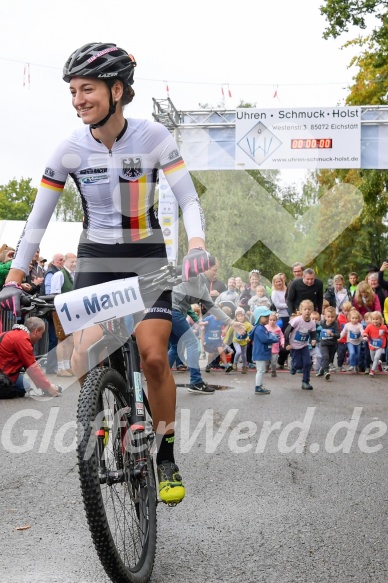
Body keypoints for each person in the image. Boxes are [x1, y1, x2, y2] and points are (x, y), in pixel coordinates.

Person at [0, 42, 208, 506]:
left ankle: (166, 455)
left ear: (118, 90)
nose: (78, 100)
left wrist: (196, 246)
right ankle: (107, 406)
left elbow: (189, 200)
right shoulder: (68, 149)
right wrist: (14, 277)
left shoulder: (154, 137)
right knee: (81, 356)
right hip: (95, 257)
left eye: (87, 89)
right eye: (73, 91)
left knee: (154, 356)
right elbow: (38, 220)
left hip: (145, 257)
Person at [168, 266, 244, 393]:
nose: (216, 273)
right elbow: (188, 269)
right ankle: (196, 382)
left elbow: (213, 307)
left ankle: (159, 377)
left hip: (174, 312)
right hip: (172, 311)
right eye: (214, 269)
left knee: (176, 346)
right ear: (204, 269)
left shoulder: (202, 288)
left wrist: (231, 322)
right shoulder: (195, 278)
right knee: (192, 342)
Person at [0, 317, 60, 398]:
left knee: (25, 384)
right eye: (41, 333)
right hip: (4, 374)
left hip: (4, 371)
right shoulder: (22, 339)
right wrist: (48, 387)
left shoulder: (13, 334)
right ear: (36, 331)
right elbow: (32, 367)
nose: (41, 337)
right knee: (25, 387)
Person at [50, 253, 77, 377]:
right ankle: (60, 368)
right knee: (62, 339)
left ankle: (67, 365)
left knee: (71, 339)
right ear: (65, 261)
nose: (74, 264)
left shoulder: (73, 275)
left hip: (70, 311)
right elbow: (55, 294)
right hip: (60, 310)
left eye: (75, 262)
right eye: (71, 261)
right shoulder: (59, 274)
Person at [284, 299, 317, 390]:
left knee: (308, 363)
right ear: (301, 310)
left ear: (312, 311)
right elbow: (287, 332)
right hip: (294, 346)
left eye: (309, 309)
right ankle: (293, 366)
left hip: (304, 345)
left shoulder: (312, 323)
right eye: (305, 309)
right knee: (298, 365)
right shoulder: (297, 320)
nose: (307, 311)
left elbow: (313, 334)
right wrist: (286, 343)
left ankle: (305, 382)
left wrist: (314, 340)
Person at [249, 306, 279, 395]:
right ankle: (258, 387)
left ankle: (259, 385)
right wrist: (274, 339)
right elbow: (264, 339)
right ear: (259, 317)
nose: (267, 318)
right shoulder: (259, 328)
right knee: (261, 370)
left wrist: (271, 335)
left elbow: (267, 335)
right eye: (265, 317)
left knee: (261, 370)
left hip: (261, 352)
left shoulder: (261, 327)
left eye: (267, 316)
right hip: (260, 352)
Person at [315, 306, 340, 381]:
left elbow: (338, 335)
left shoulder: (335, 324)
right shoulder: (322, 323)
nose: (330, 319)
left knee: (329, 360)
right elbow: (315, 327)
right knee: (325, 356)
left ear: (335, 317)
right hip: (324, 344)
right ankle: (326, 372)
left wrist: (333, 334)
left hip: (333, 345)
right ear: (325, 317)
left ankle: (322, 370)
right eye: (328, 317)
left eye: (332, 317)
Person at [362, 311, 388, 377]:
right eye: (373, 319)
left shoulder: (384, 327)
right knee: (373, 359)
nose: (375, 321)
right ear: (371, 320)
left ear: (380, 320)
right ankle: (379, 363)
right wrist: (365, 335)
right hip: (372, 345)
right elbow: (365, 332)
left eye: (377, 319)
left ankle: (372, 370)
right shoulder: (369, 326)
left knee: (376, 357)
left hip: (380, 346)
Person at [339, 308, 364, 373]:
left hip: (358, 342)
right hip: (350, 342)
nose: (354, 320)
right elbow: (343, 332)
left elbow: (362, 332)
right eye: (353, 318)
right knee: (352, 353)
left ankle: (356, 365)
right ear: (349, 318)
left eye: (356, 318)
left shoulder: (360, 325)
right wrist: (339, 338)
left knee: (357, 355)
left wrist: (364, 336)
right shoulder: (348, 325)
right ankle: (352, 365)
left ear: (358, 318)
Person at [229, 307, 253, 373]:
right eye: (238, 316)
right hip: (236, 340)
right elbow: (229, 332)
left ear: (244, 316)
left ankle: (244, 366)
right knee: (238, 352)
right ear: (236, 317)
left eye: (242, 316)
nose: (240, 317)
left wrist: (248, 337)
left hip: (244, 342)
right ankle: (235, 363)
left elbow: (250, 332)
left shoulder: (247, 324)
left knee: (243, 355)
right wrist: (225, 340)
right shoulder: (234, 323)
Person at [265, 312, 284, 377]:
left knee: (273, 361)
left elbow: (282, 336)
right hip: (266, 348)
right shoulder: (265, 328)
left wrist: (282, 343)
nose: (272, 321)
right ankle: (266, 366)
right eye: (270, 320)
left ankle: (273, 370)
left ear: (276, 320)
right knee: (266, 360)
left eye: (274, 320)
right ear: (268, 320)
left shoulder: (278, 329)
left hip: (275, 348)